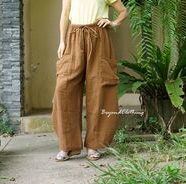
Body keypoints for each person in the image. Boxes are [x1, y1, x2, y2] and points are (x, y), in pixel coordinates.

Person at [51, 0, 127, 161]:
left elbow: (123, 11)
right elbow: (65, 14)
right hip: (73, 36)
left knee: (100, 88)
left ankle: (94, 145)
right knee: (64, 87)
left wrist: (113, 23)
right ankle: (67, 146)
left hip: (98, 36)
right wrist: (62, 41)